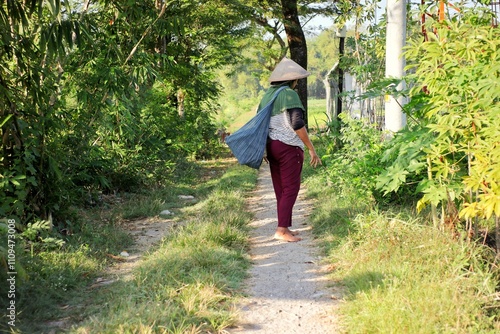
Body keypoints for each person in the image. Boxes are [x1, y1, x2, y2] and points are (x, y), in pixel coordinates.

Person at [258, 57, 322, 242]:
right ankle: (282, 230)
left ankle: (284, 227)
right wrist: (311, 148)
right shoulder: (289, 94)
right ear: (293, 80)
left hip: (272, 146)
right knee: (291, 187)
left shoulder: (267, 96)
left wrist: (263, 149)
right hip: (288, 146)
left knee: (281, 188)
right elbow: (297, 124)